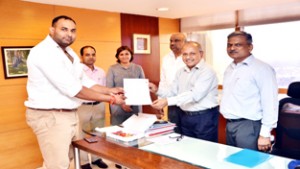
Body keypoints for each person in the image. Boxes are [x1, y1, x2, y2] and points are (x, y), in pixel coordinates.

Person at [24, 15, 125, 169]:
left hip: (69, 114)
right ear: (52, 30)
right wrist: (111, 98)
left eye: (72, 30)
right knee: (58, 164)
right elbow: (75, 89)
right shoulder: (44, 52)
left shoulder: (70, 53)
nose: (69, 34)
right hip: (51, 115)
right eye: (63, 29)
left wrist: (110, 90)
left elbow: (85, 81)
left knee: (67, 157)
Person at [220, 31, 278, 152]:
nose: (232, 48)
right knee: (232, 161)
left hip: (249, 126)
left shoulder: (261, 69)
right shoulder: (230, 68)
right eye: (229, 45)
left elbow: (270, 102)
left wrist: (265, 134)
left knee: (247, 162)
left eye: (238, 45)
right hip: (230, 124)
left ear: (250, 47)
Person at [150, 41, 219, 142]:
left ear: (201, 54)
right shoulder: (181, 71)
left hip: (204, 117)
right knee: (187, 148)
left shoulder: (207, 71)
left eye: (192, 53)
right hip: (185, 116)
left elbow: (195, 95)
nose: (188, 57)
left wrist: (167, 101)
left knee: (204, 151)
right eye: (185, 54)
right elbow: (172, 91)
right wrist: (156, 90)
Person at [77, 46, 108, 169]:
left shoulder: (101, 71)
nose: (91, 57)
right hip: (82, 106)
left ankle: (96, 158)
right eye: (87, 54)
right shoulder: (77, 70)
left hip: (99, 106)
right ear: (81, 57)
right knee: (81, 135)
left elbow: (104, 89)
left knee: (98, 134)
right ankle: (84, 162)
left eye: (93, 54)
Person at [106, 46, 145, 125]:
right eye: (121, 54)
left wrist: (130, 102)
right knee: (118, 130)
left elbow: (142, 87)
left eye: (127, 54)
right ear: (118, 56)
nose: (124, 56)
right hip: (117, 105)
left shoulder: (138, 68)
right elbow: (109, 88)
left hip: (135, 104)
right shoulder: (112, 68)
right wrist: (122, 103)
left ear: (131, 55)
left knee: (136, 128)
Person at [157, 33, 186, 132]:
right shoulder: (166, 58)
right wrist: (160, 101)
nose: (172, 43)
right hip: (171, 102)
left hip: (187, 103)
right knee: (174, 131)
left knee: (187, 134)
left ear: (184, 42)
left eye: (176, 40)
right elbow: (163, 81)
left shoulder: (188, 58)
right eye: (171, 41)